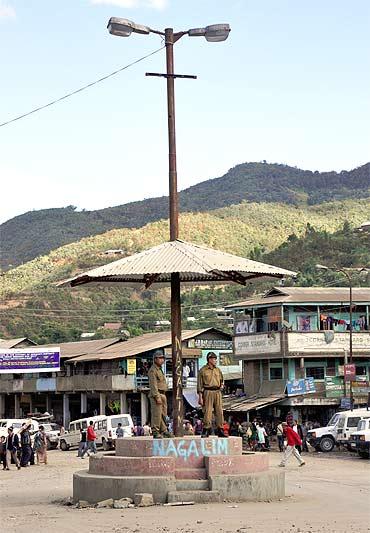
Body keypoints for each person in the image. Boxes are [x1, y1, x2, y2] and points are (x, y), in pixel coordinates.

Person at [197, 352, 225, 437]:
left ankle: (220, 429)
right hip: (207, 391)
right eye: (213, 359)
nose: (215, 360)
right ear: (209, 359)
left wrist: (222, 385)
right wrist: (200, 397)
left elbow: (222, 380)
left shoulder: (218, 370)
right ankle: (206, 429)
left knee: (219, 411)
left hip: (217, 391)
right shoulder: (203, 370)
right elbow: (199, 385)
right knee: (207, 411)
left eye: (215, 359)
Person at [148, 351, 172, 438]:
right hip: (157, 394)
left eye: (163, 358)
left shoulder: (160, 369)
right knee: (156, 414)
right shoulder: (153, 370)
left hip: (163, 393)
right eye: (160, 358)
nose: (162, 360)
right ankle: (155, 431)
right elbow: (153, 385)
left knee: (163, 414)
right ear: (155, 359)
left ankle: (164, 430)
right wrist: (156, 396)